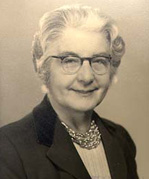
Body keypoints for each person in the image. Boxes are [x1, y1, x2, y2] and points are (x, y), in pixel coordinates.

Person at [0, 4, 139, 179]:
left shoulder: (120, 139)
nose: (87, 76)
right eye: (70, 60)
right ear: (42, 65)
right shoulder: (8, 147)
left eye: (99, 60)